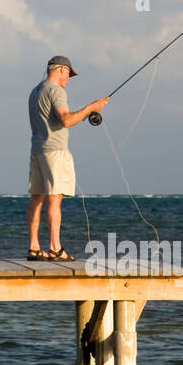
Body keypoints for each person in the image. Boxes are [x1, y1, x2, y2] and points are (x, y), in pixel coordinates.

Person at [26, 56, 107, 262]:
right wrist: (91, 108)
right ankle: (55, 248)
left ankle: (34, 247)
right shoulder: (56, 91)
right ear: (61, 69)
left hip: (37, 150)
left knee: (37, 199)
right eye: (68, 74)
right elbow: (66, 120)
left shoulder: (35, 92)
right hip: (55, 152)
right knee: (55, 199)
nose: (68, 79)